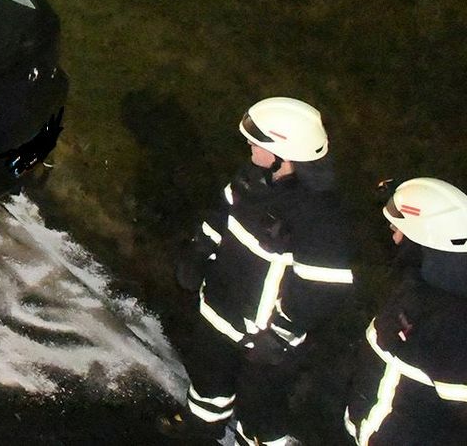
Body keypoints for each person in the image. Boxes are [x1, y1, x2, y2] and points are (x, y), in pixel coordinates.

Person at [163, 97, 355, 443]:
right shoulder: (251, 179)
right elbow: (219, 217)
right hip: (219, 312)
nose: (250, 146)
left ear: (285, 155)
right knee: (208, 382)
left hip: (264, 340)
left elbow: (323, 288)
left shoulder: (317, 216)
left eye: (258, 142)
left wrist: (280, 334)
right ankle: (199, 428)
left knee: (260, 413)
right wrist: (198, 252)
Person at [345, 177, 467, 444]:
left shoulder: (450, 321)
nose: (392, 231)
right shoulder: (418, 288)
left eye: (401, 227)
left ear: (423, 242)